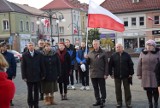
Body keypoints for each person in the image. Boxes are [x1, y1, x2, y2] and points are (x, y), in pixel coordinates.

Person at [109, 43, 134, 108]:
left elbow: (131, 64)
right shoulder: (113, 55)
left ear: (122, 47)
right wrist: (111, 73)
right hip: (117, 75)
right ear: (115, 48)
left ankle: (128, 103)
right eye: (117, 47)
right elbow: (110, 65)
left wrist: (131, 73)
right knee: (118, 90)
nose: (118, 48)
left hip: (126, 75)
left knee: (127, 89)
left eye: (119, 47)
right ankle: (119, 102)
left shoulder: (127, 55)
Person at [21, 42, 46, 108]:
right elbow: (23, 67)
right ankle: (30, 104)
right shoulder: (24, 55)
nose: (31, 47)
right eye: (29, 46)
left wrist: (43, 74)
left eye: (32, 45)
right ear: (27, 47)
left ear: (34, 46)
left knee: (36, 91)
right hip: (28, 76)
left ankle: (36, 104)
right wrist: (24, 76)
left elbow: (42, 65)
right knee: (29, 91)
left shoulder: (39, 54)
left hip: (37, 75)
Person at [85, 40, 108, 107]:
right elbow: (88, 63)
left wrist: (106, 73)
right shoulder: (90, 52)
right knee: (95, 88)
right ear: (93, 45)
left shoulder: (103, 52)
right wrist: (86, 59)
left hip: (101, 73)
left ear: (99, 44)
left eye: (96, 44)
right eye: (94, 44)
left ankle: (103, 100)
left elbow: (106, 63)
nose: (95, 45)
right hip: (93, 73)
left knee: (102, 88)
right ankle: (98, 100)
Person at [137, 39, 160, 108]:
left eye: (150, 45)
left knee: (156, 90)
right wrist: (139, 74)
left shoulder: (158, 52)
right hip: (145, 75)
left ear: (154, 46)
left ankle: (156, 103)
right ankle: (150, 103)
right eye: (147, 45)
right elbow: (139, 64)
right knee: (148, 90)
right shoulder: (142, 53)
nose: (149, 46)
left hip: (155, 75)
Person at [0, 42, 16, 106]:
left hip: (9, 74)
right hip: (1, 74)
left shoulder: (10, 54)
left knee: (9, 88)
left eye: (5, 46)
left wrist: (14, 73)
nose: (4, 47)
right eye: (2, 46)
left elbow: (14, 64)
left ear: (7, 47)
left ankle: (10, 100)